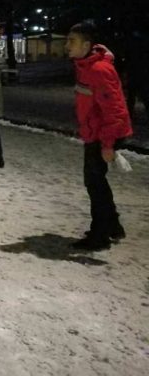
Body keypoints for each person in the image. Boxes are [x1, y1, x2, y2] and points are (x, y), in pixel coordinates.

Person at [65, 22, 133, 251]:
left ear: (86, 44)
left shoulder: (99, 70)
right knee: (96, 183)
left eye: (71, 41)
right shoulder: (84, 66)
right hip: (95, 133)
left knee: (95, 184)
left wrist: (107, 144)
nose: (67, 46)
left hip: (104, 135)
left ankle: (100, 235)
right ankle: (112, 227)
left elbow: (115, 112)